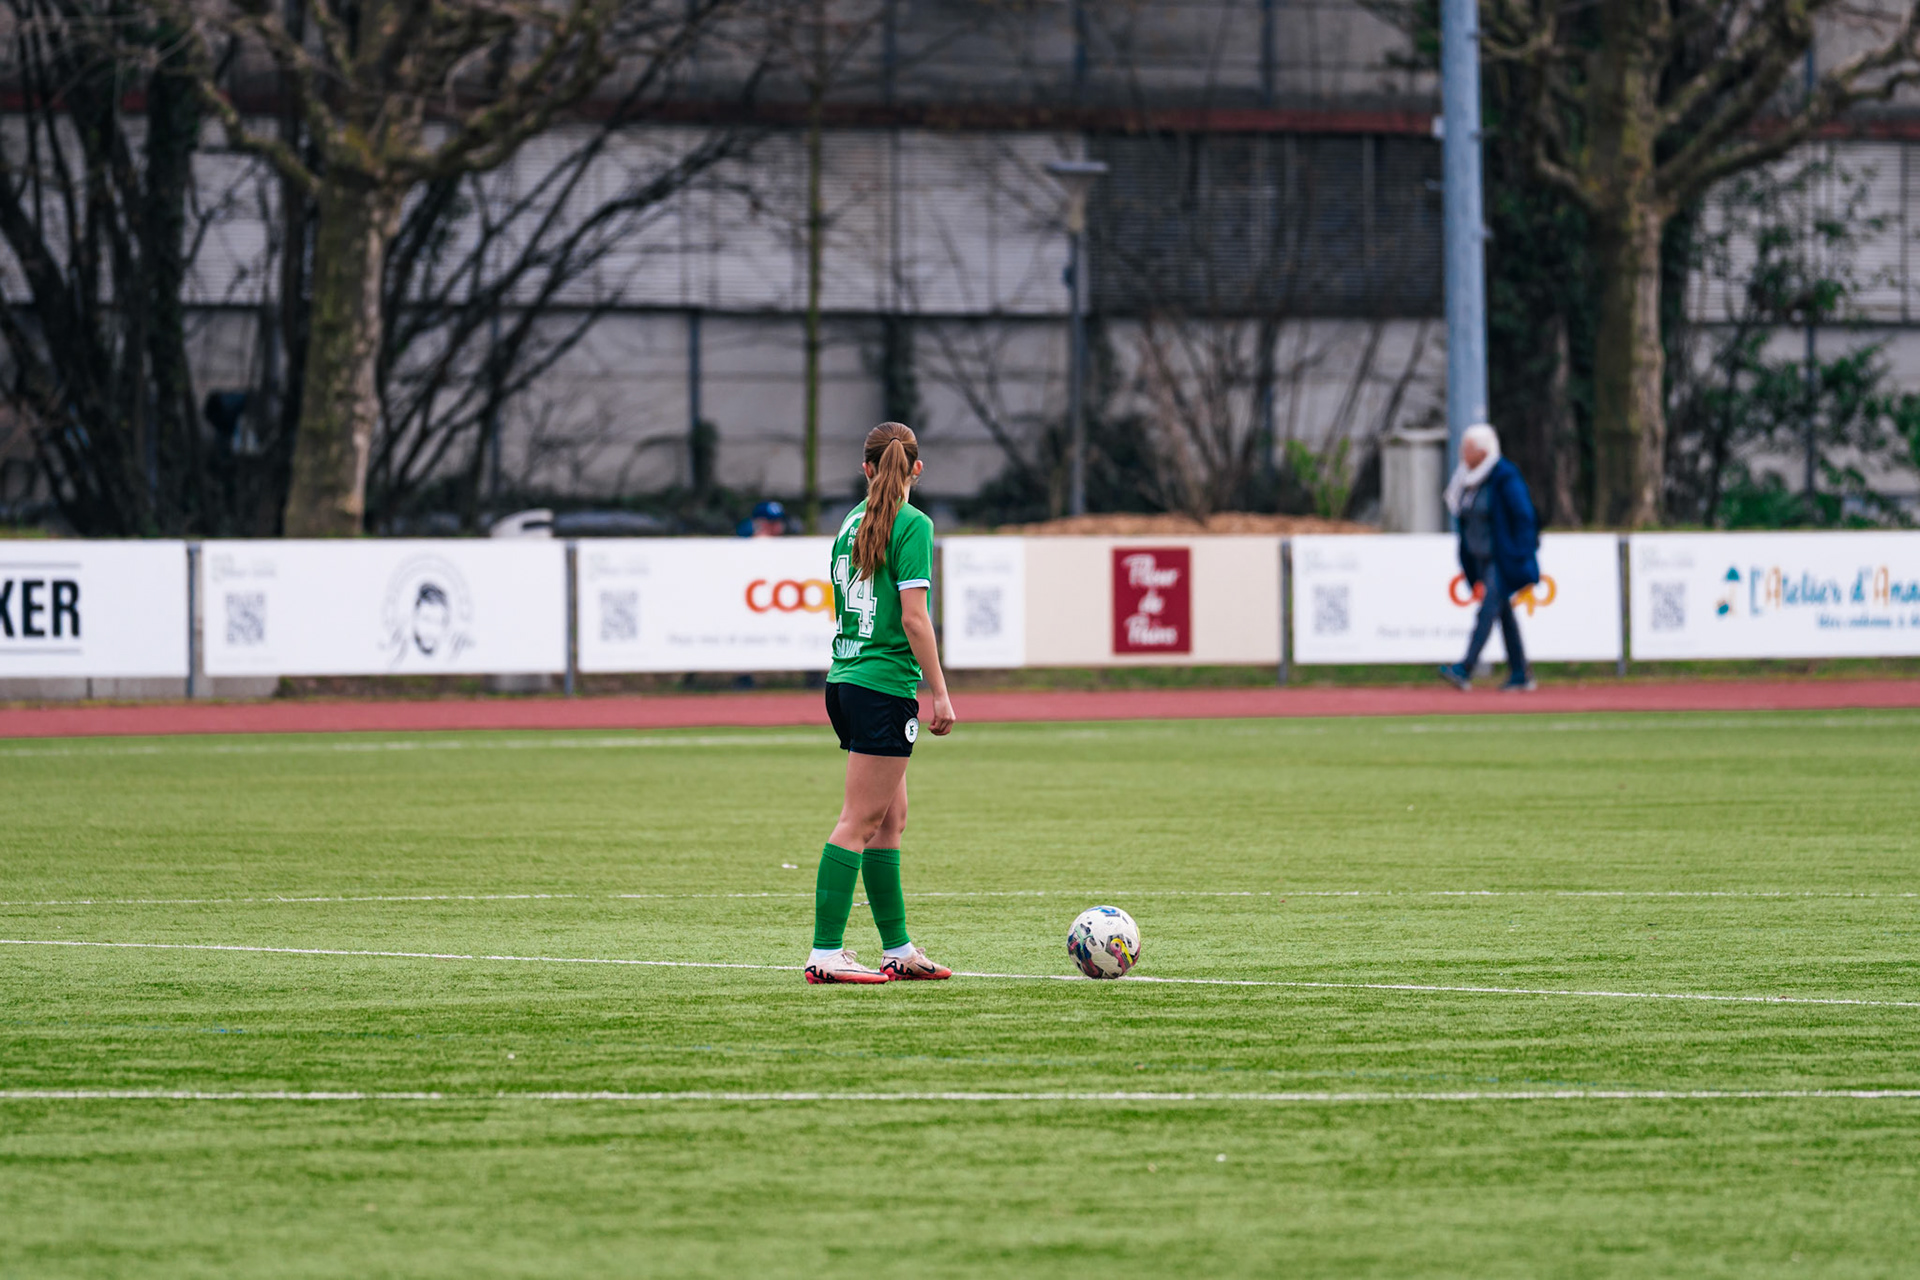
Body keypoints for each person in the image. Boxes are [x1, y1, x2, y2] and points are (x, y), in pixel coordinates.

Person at [804, 422, 958, 984]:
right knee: (859, 821)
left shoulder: (850, 520)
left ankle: (898, 947)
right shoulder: (912, 523)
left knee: (891, 819)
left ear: (866, 468)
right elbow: (914, 618)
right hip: (882, 685)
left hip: (844, 681)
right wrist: (938, 693)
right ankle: (825, 953)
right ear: (916, 469)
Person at [1438, 423, 1541, 693]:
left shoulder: (1504, 477)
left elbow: (1523, 517)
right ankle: (1520, 672)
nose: (1462, 453)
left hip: (1503, 559)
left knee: (1487, 611)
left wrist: (1521, 554)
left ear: (1482, 452)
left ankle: (1465, 667)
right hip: (1481, 558)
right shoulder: (1466, 480)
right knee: (1503, 614)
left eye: (1467, 448)